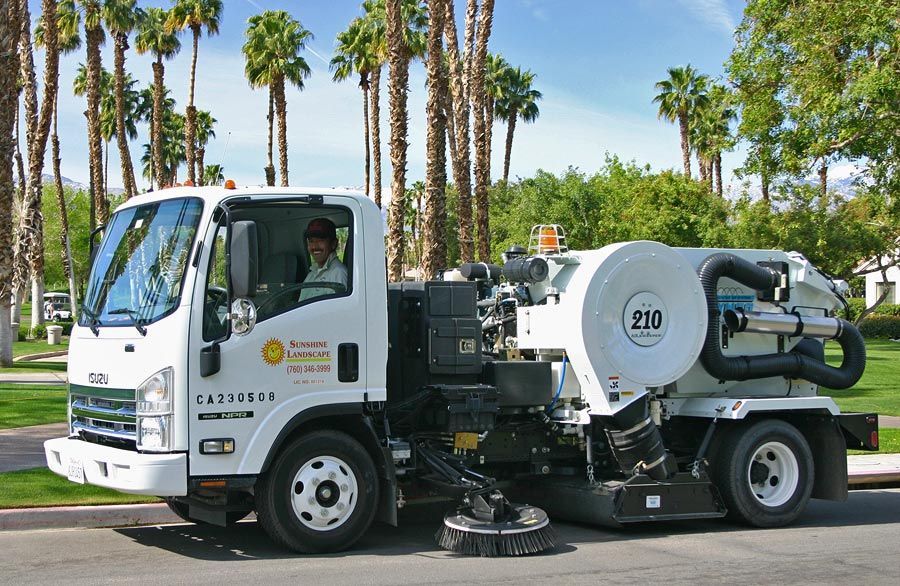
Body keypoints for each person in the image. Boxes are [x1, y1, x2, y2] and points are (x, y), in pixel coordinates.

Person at [299, 218, 348, 302]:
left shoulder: (338, 274)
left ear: (333, 244)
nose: (314, 246)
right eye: (311, 241)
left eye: (320, 240)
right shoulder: (312, 274)